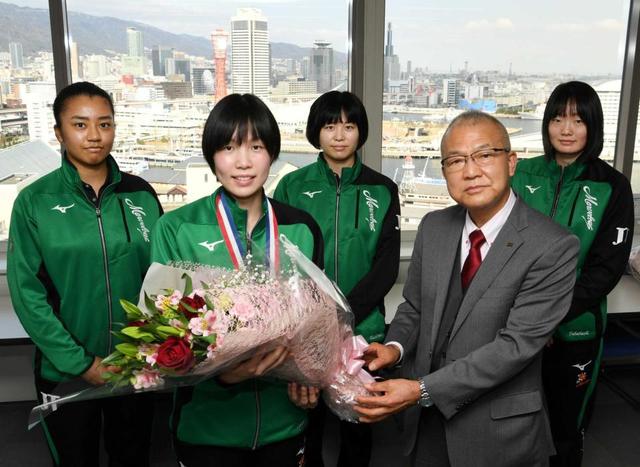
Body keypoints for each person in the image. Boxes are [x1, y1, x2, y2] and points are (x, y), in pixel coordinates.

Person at [353, 111, 580, 467]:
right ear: (445, 172)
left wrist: (421, 390)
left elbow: (515, 347)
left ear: (511, 162)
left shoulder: (553, 245)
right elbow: (415, 307)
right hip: (425, 422)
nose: (470, 171)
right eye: (455, 161)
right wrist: (395, 349)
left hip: (497, 430)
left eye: (484, 155)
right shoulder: (434, 226)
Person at [150, 93, 324, 467]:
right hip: (207, 427)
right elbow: (164, 339)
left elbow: (318, 326)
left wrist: (312, 380)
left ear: (272, 155)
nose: (243, 162)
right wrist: (224, 374)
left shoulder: (302, 227)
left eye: (256, 147)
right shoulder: (176, 228)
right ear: (212, 155)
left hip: (285, 424)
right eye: (229, 147)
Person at [7, 81, 163, 466]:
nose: (94, 136)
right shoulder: (35, 201)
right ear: (59, 132)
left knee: (133, 455)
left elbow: (162, 276)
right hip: (66, 370)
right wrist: (81, 363)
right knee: (76, 458)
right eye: (80, 125)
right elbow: (27, 293)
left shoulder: (141, 193)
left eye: (105, 124)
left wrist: (151, 350)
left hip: (133, 366)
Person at [274, 90, 400, 467]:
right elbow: (282, 261)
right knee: (305, 427)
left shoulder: (382, 188)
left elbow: (387, 264)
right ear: (317, 132)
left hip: (365, 332)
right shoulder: (291, 187)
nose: (340, 135)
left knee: (358, 429)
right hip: (306, 331)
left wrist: (344, 314)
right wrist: (317, 319)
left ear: (361, 132)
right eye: (330, 126)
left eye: (349, 126)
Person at [511, 81, 634, 466]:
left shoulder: (613, 186)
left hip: (575, 327)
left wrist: (549, 316)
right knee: (512, 422)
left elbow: (605, 269)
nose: (567, 129)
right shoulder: (521, 174)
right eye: (558, 118)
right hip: (514, 326)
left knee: (566, 427)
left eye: (578, 120)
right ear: (547, 124)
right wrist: (526, 317)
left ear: (593, 127)